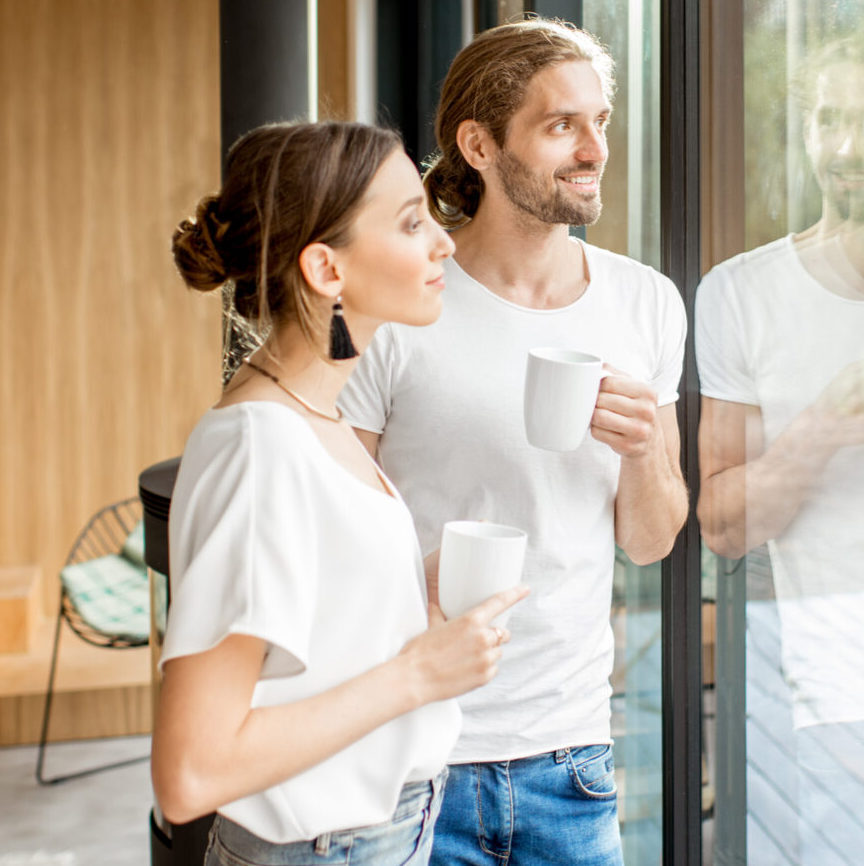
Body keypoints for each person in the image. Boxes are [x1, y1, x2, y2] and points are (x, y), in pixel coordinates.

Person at [338, 19, 688, 866]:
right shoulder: (399, 307)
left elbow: (650, 541)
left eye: (600, 122)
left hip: (573, 760)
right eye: (561, 124)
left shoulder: (646, 303)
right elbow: (333, 532)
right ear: (481, 144)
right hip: (414, 754)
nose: (593, 148)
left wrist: (645, 452)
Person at [150, 121, 529, 866]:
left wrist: (402, 592)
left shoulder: (313, 415)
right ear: (326, 269)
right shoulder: (260, 447)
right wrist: (418, 673)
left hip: (377, 838)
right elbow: (191, 773)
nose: (444, 243)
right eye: (411, 222)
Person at [696, 32, 864, 865]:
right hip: (822, 703)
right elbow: (723, 523)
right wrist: (824, 428)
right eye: (828, 119)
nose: (846, 147)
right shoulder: (743, 294)